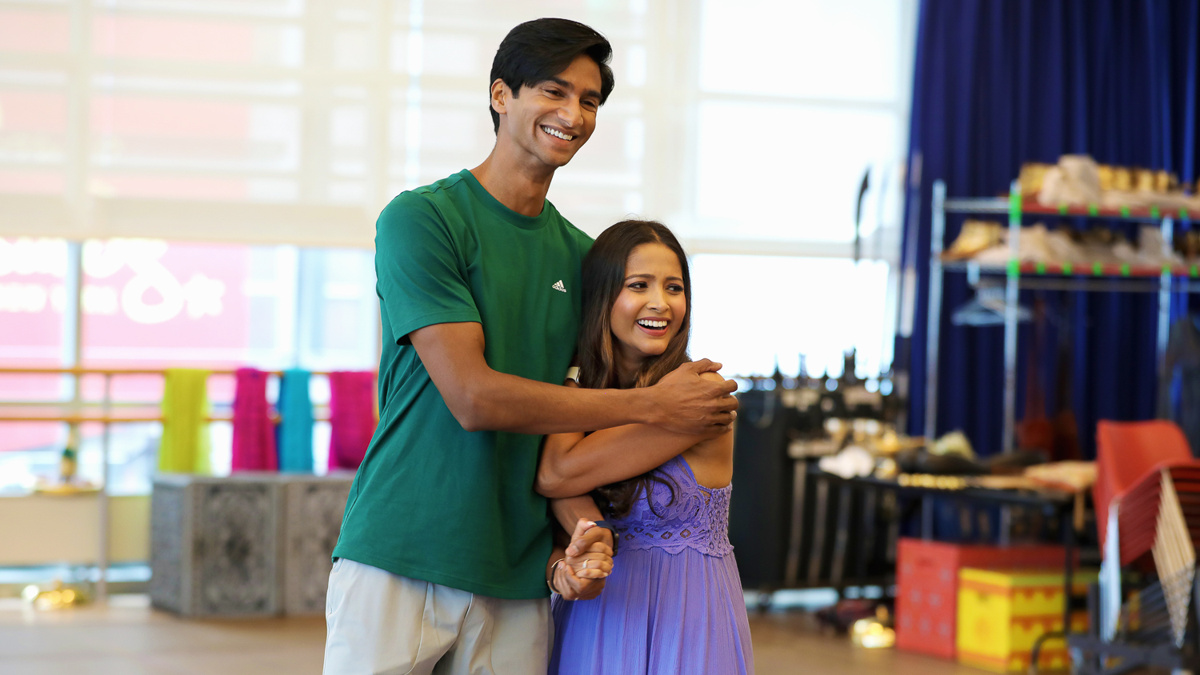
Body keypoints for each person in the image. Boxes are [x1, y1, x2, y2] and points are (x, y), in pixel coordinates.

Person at [322, 19, 739, 675]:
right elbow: (472, 396)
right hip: (401, 551)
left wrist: (574, 536)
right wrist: (656, 407)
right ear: (500, 96)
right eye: (554, 91)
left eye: (591, 100)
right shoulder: (423, 219)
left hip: (521, 573)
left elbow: (577, 429)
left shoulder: (582, 258)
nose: (573, 114)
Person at [538, 220, 754, 675]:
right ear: (602, 299)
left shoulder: (701, 395)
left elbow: (557, 474)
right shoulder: (587, 389)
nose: (661, 302)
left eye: (674, 287)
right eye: (639, 285)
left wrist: (571, 384)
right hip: (597, 616)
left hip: (688, 619)